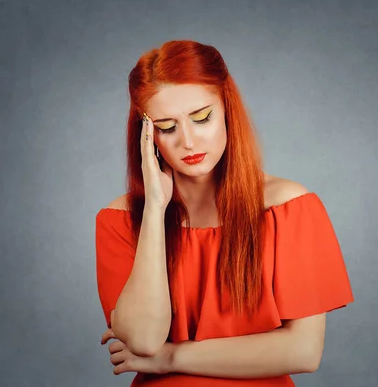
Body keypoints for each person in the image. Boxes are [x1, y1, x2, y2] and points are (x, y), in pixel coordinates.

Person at [95, 40, 354, 386]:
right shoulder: (119, 220)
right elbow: (143, 340)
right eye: (167, 127)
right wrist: (155, 209)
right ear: (146, 136)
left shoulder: (289, 208)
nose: (188, 141)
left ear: (227, 110)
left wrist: (171, 357)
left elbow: (303, 352)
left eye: (202, 118)